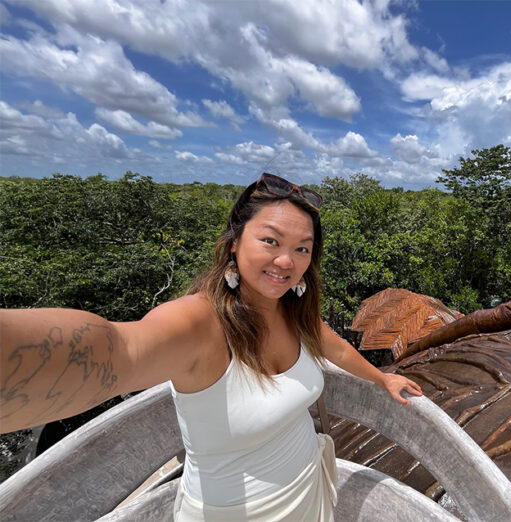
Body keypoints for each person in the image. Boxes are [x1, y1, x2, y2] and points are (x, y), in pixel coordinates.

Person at [0, 173, 423, 521]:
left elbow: (339, 350)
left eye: (301, 249)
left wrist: (382, 377)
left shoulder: (295, 312)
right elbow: (117, 350)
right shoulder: (199, 322)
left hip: (308, 486)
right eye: (270, 241)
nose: (286, 262)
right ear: (235, 241)